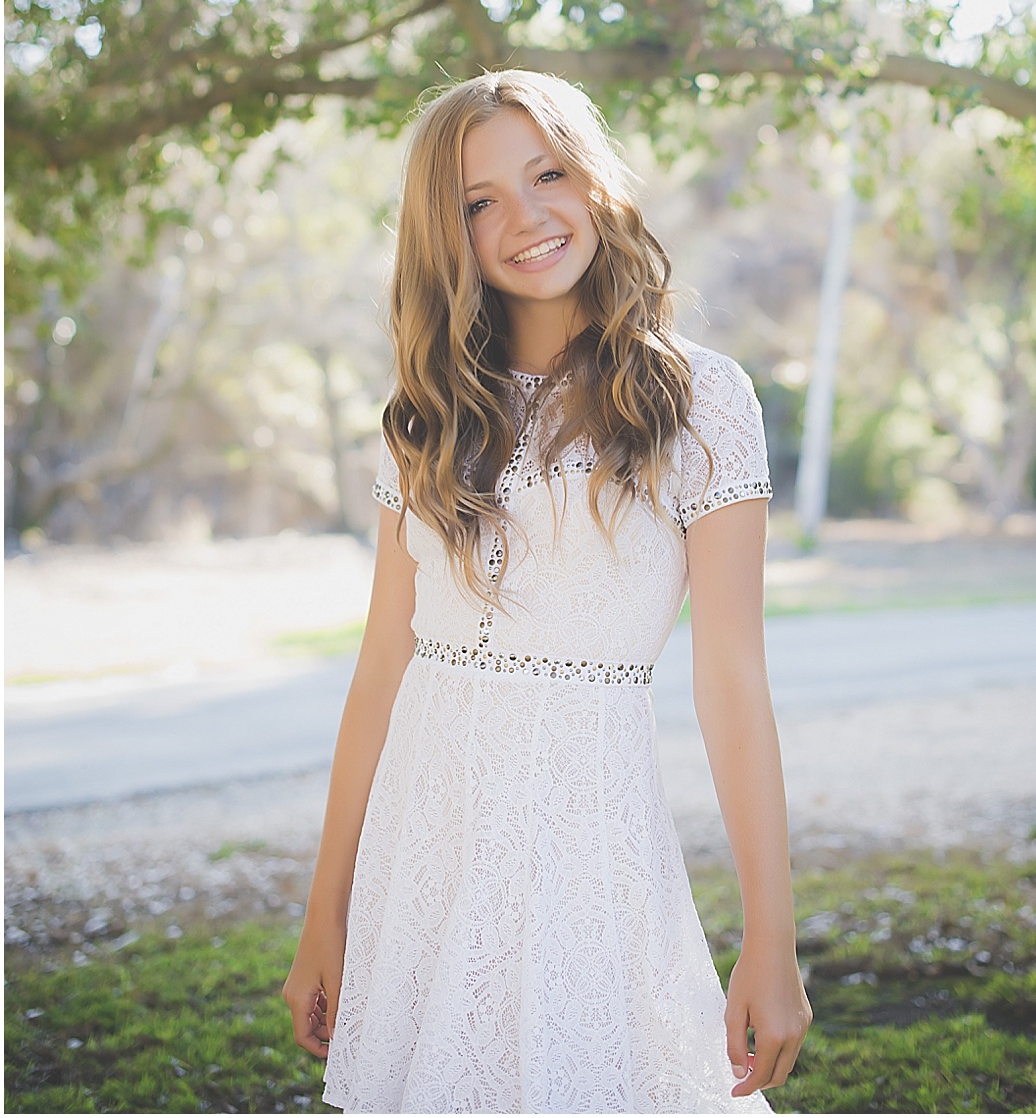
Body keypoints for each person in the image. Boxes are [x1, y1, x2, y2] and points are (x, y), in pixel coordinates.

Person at [281, 71, 810, 1112]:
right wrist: (324, 917)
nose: (524, 216)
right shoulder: (422, 414)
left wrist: (771, 936)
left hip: (588, 842)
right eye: (479, 201)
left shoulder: (701, 400)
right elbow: (381, 675)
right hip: (422, 853)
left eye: (547, 173)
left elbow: (734, 683)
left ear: (594, 182)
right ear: (446, 231)